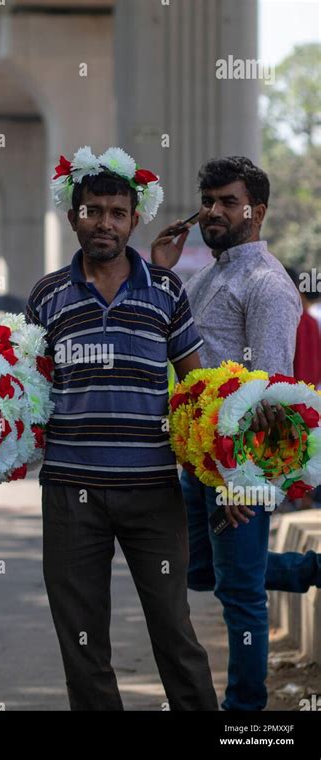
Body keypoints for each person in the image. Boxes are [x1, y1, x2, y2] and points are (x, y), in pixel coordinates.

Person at [25, 146, 218, 711]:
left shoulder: (165, 291)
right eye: (93, 211)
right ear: (73, 217)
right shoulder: (46, 296)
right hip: (69, 496)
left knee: (175, 634)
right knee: (82, 644)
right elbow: (26, 393)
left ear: (135, 219)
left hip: (153, 493)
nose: (103, 222)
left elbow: (197, 390)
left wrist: (226, 473)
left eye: (116, 212)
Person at [151, 156, 321, 711]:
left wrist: (248, 481)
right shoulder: (202, 278)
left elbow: (272, 392)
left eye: (228, 201)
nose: (213, 211)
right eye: (207, 200)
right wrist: (159, 270)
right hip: (200, 461)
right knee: (202, 572)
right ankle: (316, 569)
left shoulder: (267, 284)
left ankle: (243, 711)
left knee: (241, 596)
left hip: (238, 466)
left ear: (258, 210)